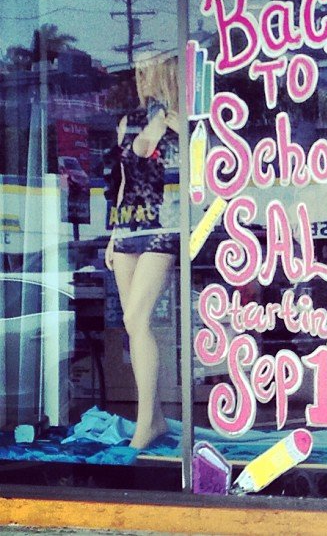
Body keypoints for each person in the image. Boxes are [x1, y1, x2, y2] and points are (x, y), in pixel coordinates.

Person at [105, 51, 180, 449]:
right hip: (128, 226)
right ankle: (154, 418)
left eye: (145, 71)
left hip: (163, 227)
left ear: (162, 74)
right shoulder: (129, 122)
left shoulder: (183, 123)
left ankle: (146, 422)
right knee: (135, 326)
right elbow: (120, 181)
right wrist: (113, 235)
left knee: (136, 317)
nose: (139, 78)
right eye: (136, 72)